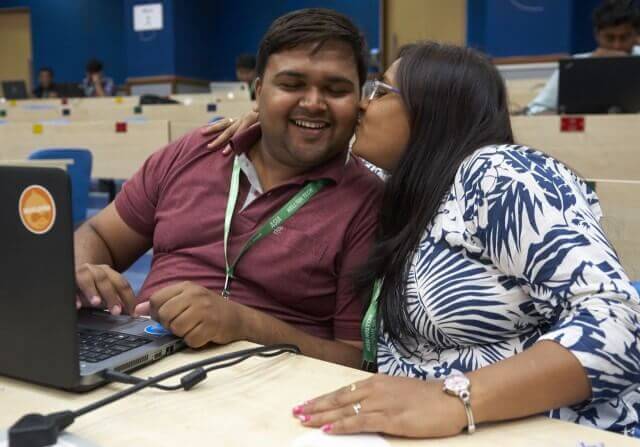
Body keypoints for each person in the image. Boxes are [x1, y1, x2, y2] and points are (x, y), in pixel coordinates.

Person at [204, 42, 640, 437]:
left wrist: (456, 397)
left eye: (380, 91)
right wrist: (276, 126)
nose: (359, 104)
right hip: (431, 427)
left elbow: (619, 323)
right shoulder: (399, 187)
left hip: (558, 429)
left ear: (435, 109)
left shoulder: (499, 174)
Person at [73, 9, 383, 368]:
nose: (313, 102)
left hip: (264, 388)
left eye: (336, 89)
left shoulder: (366, 202)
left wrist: (243, 324)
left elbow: (353, 360)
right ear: (259, 92)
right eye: (292, 84)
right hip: (136, 360)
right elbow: (100, 233)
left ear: (359, 101)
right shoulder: (195, 151)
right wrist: (84, 271)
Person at [527, 0, 640, 114]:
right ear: (597, 35)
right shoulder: (574, 66)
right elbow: (534, 111)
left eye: (624, 38)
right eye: (610, 38)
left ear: (636, 35)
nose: (617, 45)